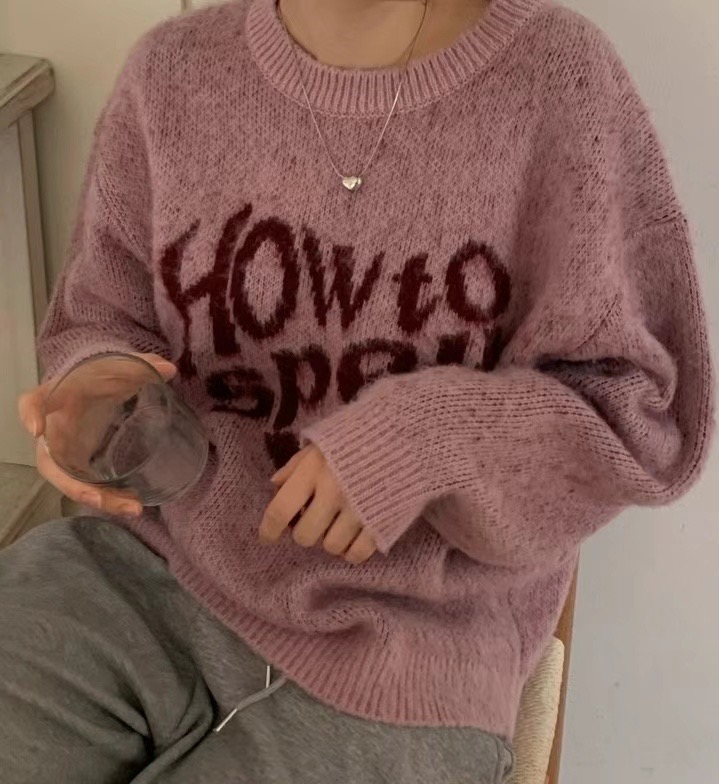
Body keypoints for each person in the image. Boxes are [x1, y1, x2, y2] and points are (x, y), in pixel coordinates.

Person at [3, 0, 714, 781]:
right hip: (156, 574)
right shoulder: (167, 73)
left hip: (418, 644)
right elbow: (100, 320)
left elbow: (638, 418)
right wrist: (95, 383)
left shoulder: (558, 77)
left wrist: (420, 441)